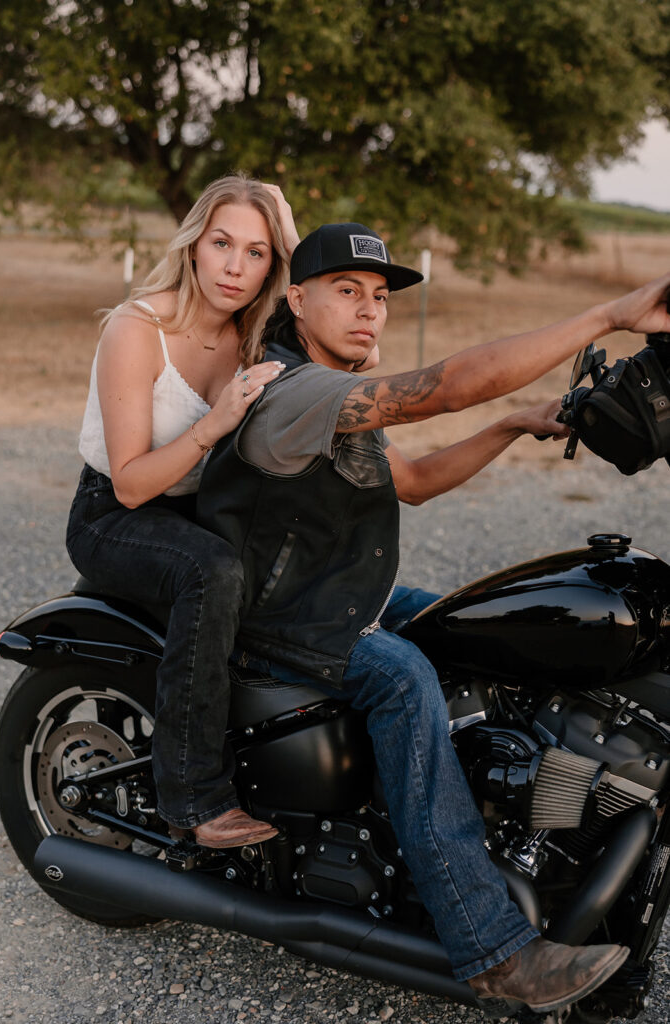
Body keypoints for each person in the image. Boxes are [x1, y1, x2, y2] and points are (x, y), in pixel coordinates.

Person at [197, 221, 670, 1014]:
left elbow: (409, 480)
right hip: (282, 618)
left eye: (378, 297)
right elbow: (443, 387)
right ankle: (492, 949)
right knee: (407, 677)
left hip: (341, 595)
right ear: (296, 297)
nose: (368, 312)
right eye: (347, 292)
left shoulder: (329, 382)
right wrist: (605, 316)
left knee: (488, 626)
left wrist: (512, 424)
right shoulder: (289, 388)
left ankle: (528, 833)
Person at [65, 174, 302, 849]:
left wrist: (283, 223)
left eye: (257, 253)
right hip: (114, 513)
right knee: (215, 571)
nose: (235, 266)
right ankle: (191, 797)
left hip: (196, 509)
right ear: (194, 245)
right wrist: (211, 425)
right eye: (222, 243)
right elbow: (134, 483)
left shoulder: (255, 337)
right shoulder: (137, 328)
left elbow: (342, 327)